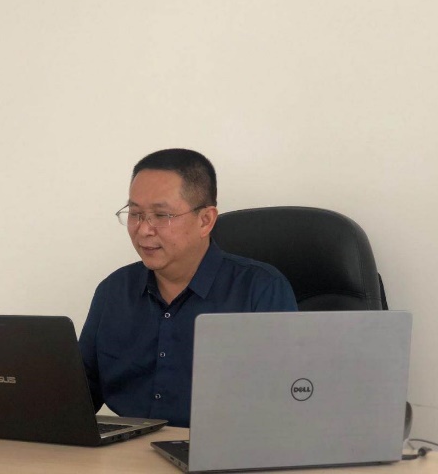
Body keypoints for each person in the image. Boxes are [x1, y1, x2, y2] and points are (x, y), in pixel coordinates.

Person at [79, 148, 297, 427]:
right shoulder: (113, 291)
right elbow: (80, 394)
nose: (143, 229)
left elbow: (285, 404)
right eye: (135, 213)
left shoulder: (260, 290)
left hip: (221, 447)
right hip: (128, 447)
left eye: (161, 215)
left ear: (205, 220)